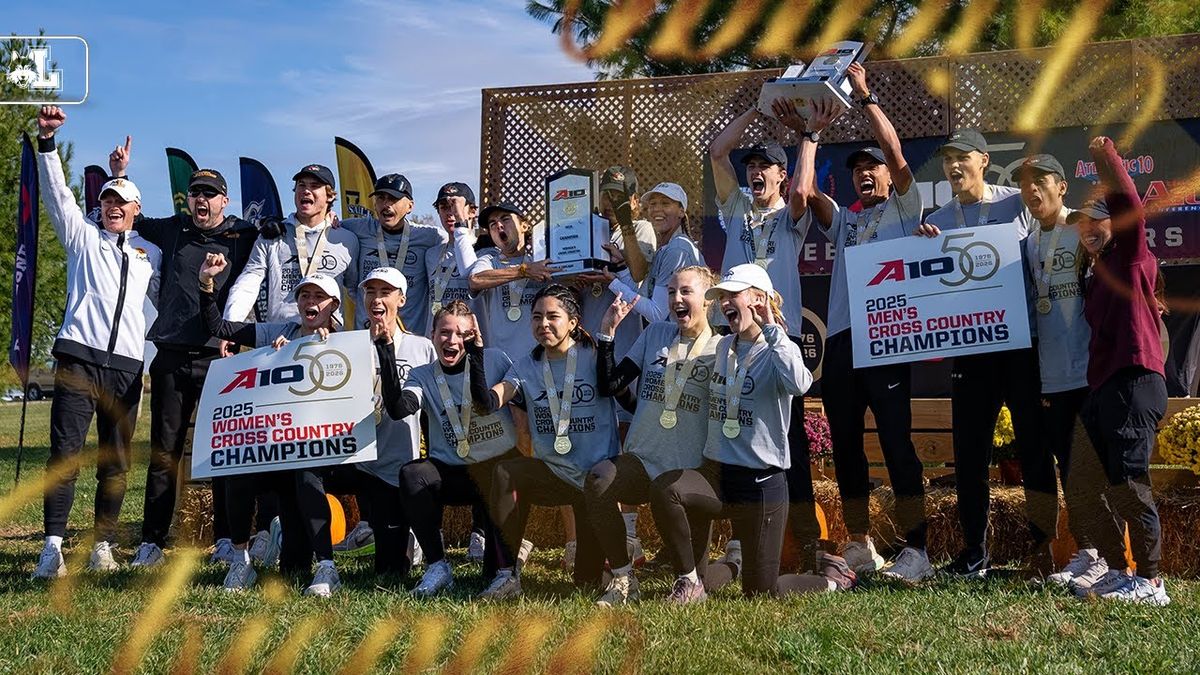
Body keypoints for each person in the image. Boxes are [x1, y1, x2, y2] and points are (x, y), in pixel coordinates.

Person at [103, 137, 278, 569]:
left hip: (222, 359)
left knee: (223, 453)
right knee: (165, 452)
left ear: (224, 200)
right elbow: (128, 215)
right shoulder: (174, 228)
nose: (202, 200)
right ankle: (152, 542)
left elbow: (280, 237)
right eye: (196, 193)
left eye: (210, 194)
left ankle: (226, 539)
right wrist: (120, 175)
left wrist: (302, 224)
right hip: (170, 356)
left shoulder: (243, 234)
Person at [790, 66, 930, 580]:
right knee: (846, 445)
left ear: (890, 177)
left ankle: (917, 549)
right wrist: (810, 132)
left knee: (896, 444)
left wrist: (866, 96)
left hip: (887, 339)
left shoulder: (905, 208)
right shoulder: (847, 221)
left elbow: (894, 150)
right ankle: (860, 542)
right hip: (844, 344)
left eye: (873, 168)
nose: (866, 174)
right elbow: (804, 192)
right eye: (857, 171)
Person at [915, 128, 1056, 578]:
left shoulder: (1017, 203)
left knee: (1034, 450)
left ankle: (1042, 551)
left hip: (1021, 345)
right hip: (972, 351)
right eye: (947, 160)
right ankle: (974, 552)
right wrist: (923, 249)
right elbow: (933, 283)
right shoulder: (937, 219)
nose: (953, 166)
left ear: (983, 161)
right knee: (970, 453)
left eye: (962, 157)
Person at [32, 106, 162, 578]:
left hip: (127, 368)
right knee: (65, 455)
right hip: (78, 360)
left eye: (121, 201)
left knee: (117, 461)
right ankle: (52, 548)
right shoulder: (83, 240)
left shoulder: (150, 255)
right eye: (106, 200)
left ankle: (102, 545)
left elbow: (171, 299)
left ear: (135, 210)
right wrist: (47, 143)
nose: (112, 207)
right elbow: (58, 196)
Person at [650, 264, 827, 602]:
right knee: (666, 489)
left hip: (760, 481)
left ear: (758, 299)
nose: (725, 303)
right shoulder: (722, 347)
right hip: (718, 474)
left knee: (761, 593)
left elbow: (800, 384)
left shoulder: (778, 348)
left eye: (734, 295)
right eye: (722, 297)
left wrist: (772, 329)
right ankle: (693, 582)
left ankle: (830, 580)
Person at [710, 105, 821, 570]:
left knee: (789, 440)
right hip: (732, 332)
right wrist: (755, 107)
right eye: (752, 166)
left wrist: (810, 135)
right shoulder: (736, 207)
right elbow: (718, 153)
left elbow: (803, 190)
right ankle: (739, 540)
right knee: (731, 431)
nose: (755, 172)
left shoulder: (790, 215)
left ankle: (807, 543)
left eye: (765, 167)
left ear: (780, 176)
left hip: (776, 337)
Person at [469, 285, 621, 599]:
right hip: (553, 474)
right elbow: (487, 403)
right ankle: (506, 575)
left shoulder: (595, 359)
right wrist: (476, 354)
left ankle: (611, 567)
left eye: (553, 316)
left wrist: (609, 332)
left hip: (594, 482)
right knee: (507, 471)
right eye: (537, 317)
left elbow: (621, 392)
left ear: (573, 322)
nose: (543, 324)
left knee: (586, 584)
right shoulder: (525, 367)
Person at [586, 266, 721, 606]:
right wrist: (607, 333)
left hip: (687, 472)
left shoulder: (723, 349)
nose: (676, 299)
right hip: (643, 462)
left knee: (701, 578)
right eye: (671, 291)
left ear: (709, 300)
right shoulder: (656, 334)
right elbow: (612, 385)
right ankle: (623, 578)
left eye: (686, 291)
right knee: (599, 480)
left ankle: (724, 569)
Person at [1074, 136, 1170, 605]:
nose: (1088, 229)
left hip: (1135, 379)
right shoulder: (1096, 273)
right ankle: (1118, 570)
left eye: (1098, 219)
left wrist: (1104, 157)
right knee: (1102, 483)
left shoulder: (1131, 257)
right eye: (1082, 223)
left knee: (1131, 482)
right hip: (1107, 387)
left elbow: (1128, 201)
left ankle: (1151, 582)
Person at [1017, 153, 1119, 588]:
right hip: (1050, 376)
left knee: (1095, 469)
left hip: (1089, 372)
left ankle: (1112, 558)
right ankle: (1088, 551)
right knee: (1070, 471)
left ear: (1062, 187)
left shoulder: (1082, 230)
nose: (1032, 190)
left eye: (1041, 181)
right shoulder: (1026, 243)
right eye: (1025, 184)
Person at [379, 300, 526, 596]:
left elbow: (513, 408)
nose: (452, 340)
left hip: (498, 472)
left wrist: (477, 357)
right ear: (432, 335)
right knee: (413, 474)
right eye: (445, 332)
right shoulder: (422, 375)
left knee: (494, 570)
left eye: (461, 334)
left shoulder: (496, 359)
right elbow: (398, 409)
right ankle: (437, 566)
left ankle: (506, 571)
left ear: (473, 336)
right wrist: (386, 351)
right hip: (453, 471)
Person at [221, 163, 359, 325]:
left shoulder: (346, 240)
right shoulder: (273, 235)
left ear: (330, 196)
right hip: (281, 335)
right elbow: (248, 283)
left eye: (314, 186)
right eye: (301, 185)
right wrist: (230, 323)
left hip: (328, 336)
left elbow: (357, 291)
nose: (306, 190)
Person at [342, 174, 448, 335]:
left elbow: (454, 246)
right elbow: (325, 227)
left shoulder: (431, 237)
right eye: (381, 198)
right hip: (365, 336)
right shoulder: (356, 228)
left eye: (393, 199)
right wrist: (329, 217)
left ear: (410, 206)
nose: (386, 205)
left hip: (409, 338)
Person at [467, 203, 559, 354]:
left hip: (537, 358)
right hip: (500, 358)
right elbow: (475, 280)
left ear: (524, 226)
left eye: (505, 219)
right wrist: (524, 271)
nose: (499, 225)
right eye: (492, 224)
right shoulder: (489, 261)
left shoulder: (539, 263)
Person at [607, 182, 703, 322]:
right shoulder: (664, 250)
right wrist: (620, 266)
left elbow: (656, 314)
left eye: (665, 203)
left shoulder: (677, 249)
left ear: (681, 212)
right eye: (653, 204)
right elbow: (640, 303)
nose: (657, 209)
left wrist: (612, 283)